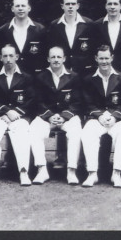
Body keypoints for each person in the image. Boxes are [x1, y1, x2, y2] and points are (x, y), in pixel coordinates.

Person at [29, 46, 83, 185]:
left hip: (67, 117)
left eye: (59, 57)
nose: (56, 60)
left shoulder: (74, 76)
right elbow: (37, 101)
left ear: (64, 58)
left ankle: (71, 171)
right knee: (34, 129)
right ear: (48, 59)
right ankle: (42, 170)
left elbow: (77, 102)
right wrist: (49, 116)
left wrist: (64, 116)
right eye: (53, 57)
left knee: (76, 130)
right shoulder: (40, 77)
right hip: (47, 117)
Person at [0, 44, 36, 185]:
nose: (8, 59)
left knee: (21, 132)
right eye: (5, 56)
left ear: (17, 57)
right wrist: (6, 112)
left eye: (11, 56)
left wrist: (16, 113)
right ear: (0, 58)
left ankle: (23, 172)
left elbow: (31, 100)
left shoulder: (26, 77)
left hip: (19, 116)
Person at [80, 45, 121, 188]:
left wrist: (115, 116)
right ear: (96, 59)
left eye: (106, 58)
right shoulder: (89, 79)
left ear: (112, 58)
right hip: (97, 119)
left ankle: (116, 174)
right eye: (101, 58)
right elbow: (87, 103)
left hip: (117, 119)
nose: (104, 62)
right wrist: (100, 115)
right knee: (87, 132)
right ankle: (92, 173)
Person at [46, 0, 95, 76]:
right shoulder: (54, 25)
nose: (70, 7)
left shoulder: (89, 24)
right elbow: (51, 48)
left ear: (77, 6)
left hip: (85, 72)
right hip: (62, 72)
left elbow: (93, 48)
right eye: (68, 4)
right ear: (62, 6)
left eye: (73, 4)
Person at [0, 0, 46, 75]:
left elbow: (45, 55)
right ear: (12, 9)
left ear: (29, 8)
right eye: (17, 6)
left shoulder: (40, 30)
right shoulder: (3, 31)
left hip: (35, 77)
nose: (20, 8)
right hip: (12, 77)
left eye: (23, 5)